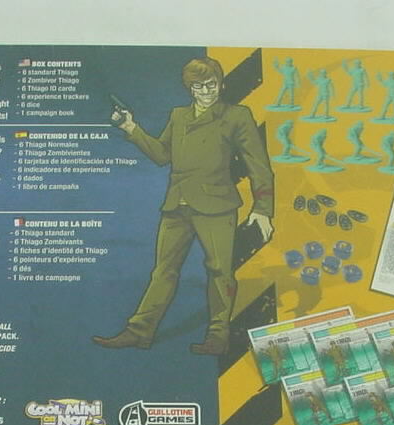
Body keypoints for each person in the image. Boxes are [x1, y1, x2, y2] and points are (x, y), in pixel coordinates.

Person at [93, 57, 275, 355]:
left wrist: (263, 209)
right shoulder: (178, 116)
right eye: (199, 86)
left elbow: (258, 164)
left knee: (220, 273)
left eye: (211, 84)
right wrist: (131, 127)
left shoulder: (237, 116)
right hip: (177, 204)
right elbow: (162, 155)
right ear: (190, 88)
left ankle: (218, 337)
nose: (206, 91)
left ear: (221, 84)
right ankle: (139, 331)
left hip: (217, 207)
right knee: (163, 272)